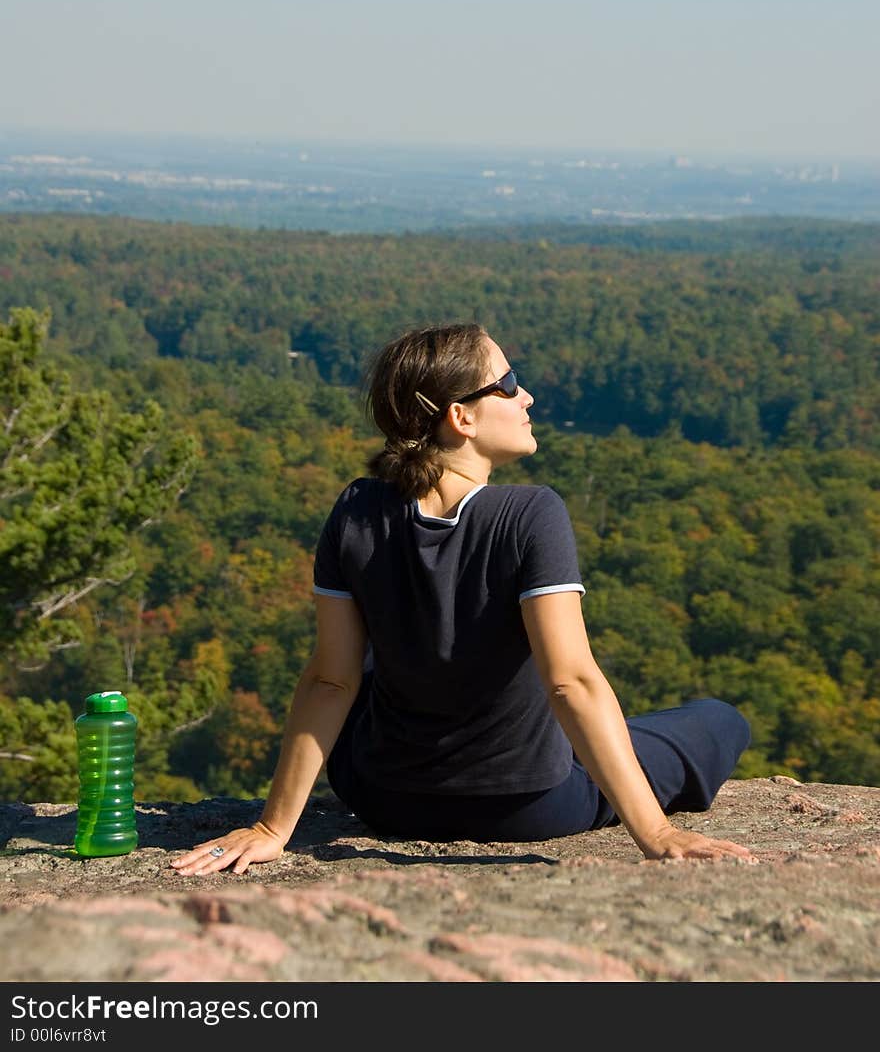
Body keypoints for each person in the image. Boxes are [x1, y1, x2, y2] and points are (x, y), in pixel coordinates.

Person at [171, 322, 753, 877]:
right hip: (526, 807)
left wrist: (274, 828)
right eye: (508, 383)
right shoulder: (529, 515)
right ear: (461, 417)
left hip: (383, 798)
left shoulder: (357, 509)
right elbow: (570, 683)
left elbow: (331, 681)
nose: (525, 396)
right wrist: (656, 835)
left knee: (367, 655)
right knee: (715, 720)